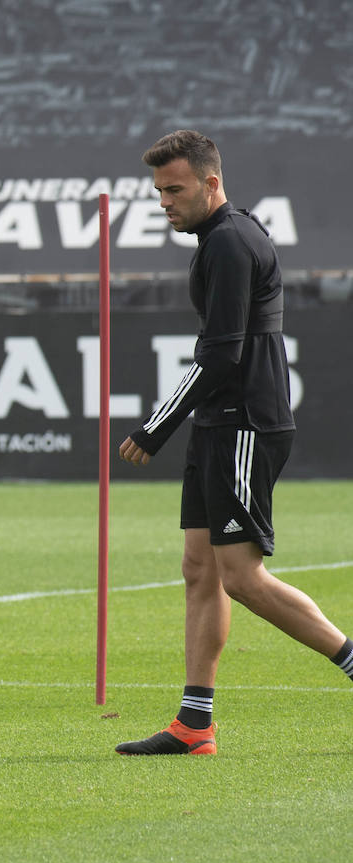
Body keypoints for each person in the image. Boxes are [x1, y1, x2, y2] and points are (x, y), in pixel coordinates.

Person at [115, 129, 353, 756]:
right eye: (158, 191)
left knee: (241, 577)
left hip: (244, 421)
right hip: (220, 422)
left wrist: (154, 428)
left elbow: (221, 354)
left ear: (211, 183)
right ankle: (194, 726)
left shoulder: (229, 242)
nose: (164, 201)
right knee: (200, 570)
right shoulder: (222, 237)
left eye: (175, 189)